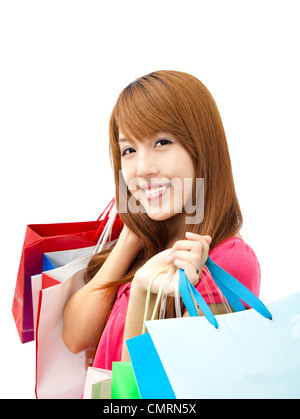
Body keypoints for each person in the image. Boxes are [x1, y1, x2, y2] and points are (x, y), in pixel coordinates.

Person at [62, 70, 261, 369]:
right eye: (129, 149)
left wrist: (144, 290)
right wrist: (130, 240)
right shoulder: (146, 239)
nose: (142, 168)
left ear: (202, 149)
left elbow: (149, 390)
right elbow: (73, 337)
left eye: (162, 142)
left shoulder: (228, 263)